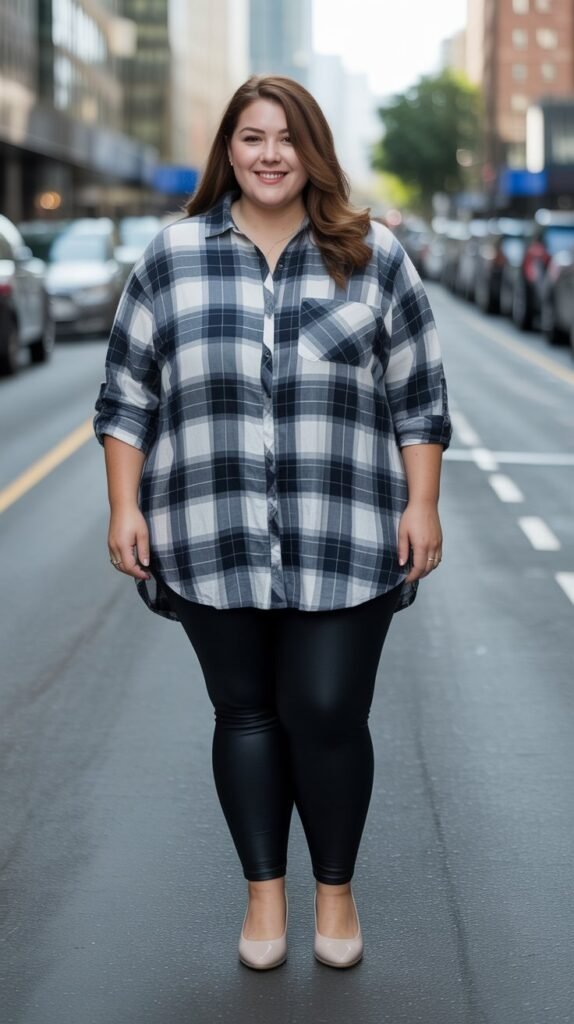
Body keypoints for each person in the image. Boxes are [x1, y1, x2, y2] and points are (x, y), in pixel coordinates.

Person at [93, 74, 452, 971]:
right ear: (229, 151)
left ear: (313, 151)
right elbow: (128, 394)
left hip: (350, 534)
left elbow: (419, 394)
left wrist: (424, 503)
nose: (269, 154)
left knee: (327, 710)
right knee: (245, 714)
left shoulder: (373, 255)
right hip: (208, 533)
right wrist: (124, 504)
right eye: (251, 137)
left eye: (286, 138)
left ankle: (335, 890)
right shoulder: (172, 257)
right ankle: (263, 898)